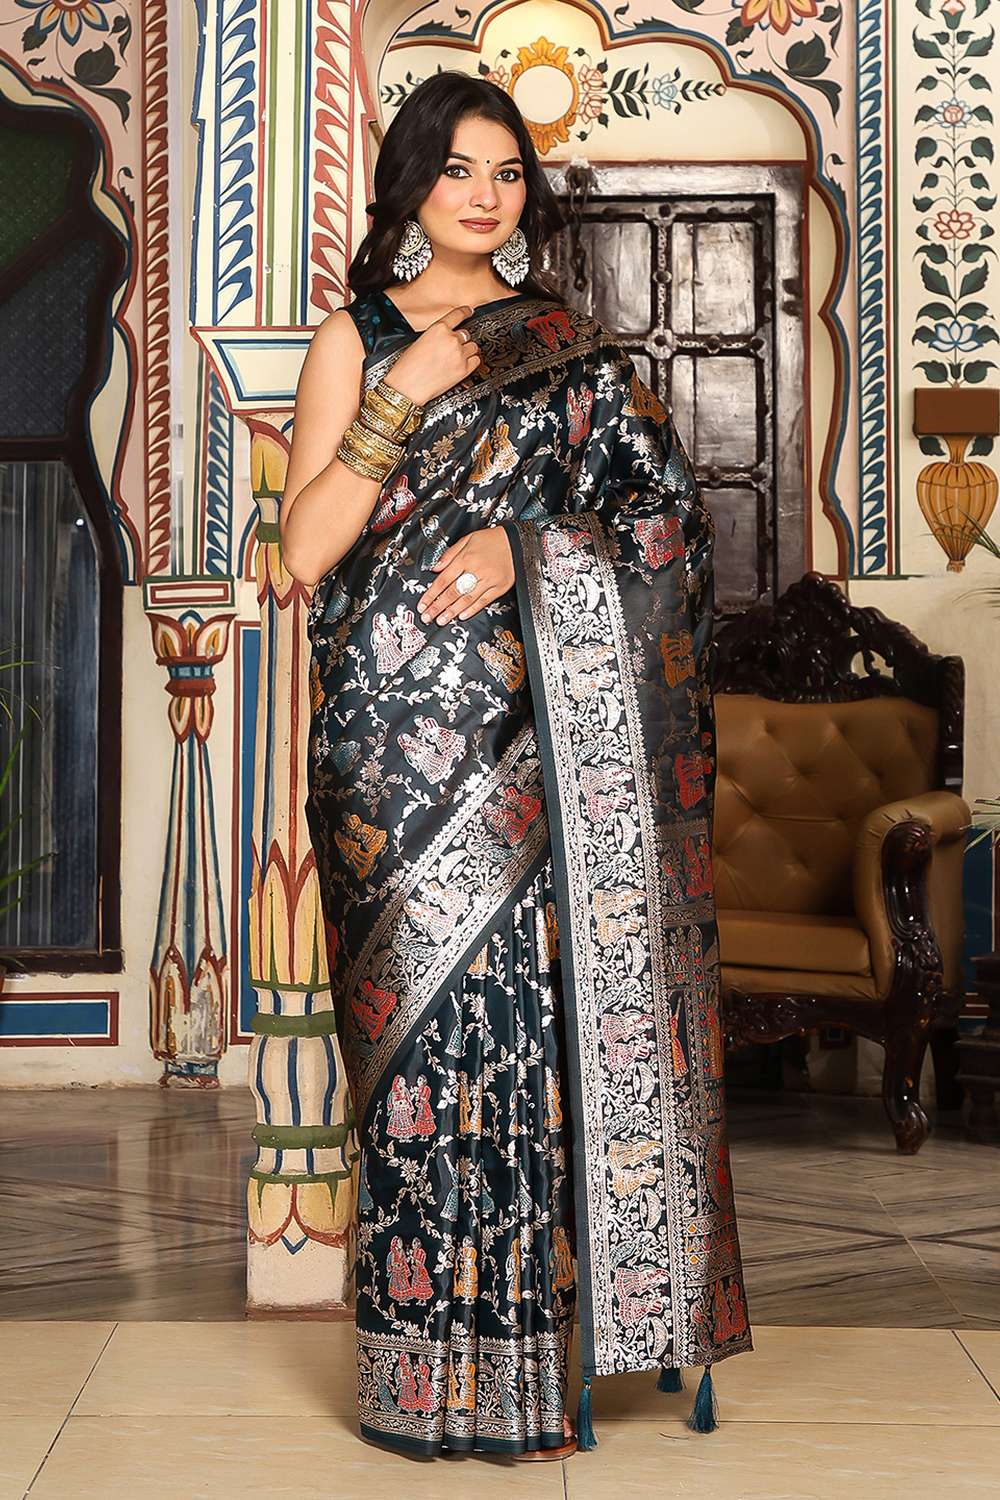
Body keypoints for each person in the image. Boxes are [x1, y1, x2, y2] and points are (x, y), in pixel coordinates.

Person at [281, 70, 752, 1461]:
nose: (485, 196)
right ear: (411, 185)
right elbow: (305, 551)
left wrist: (529, 549)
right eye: (458, 170)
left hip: (536, 743)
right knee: (419, 1052)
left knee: (523, 1040)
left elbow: (676, 533)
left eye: (506, 173)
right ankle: (420, 1385)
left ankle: (530, 1380)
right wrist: (403, 392)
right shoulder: (357, 338)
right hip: (382, 748)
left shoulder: (574, 352)